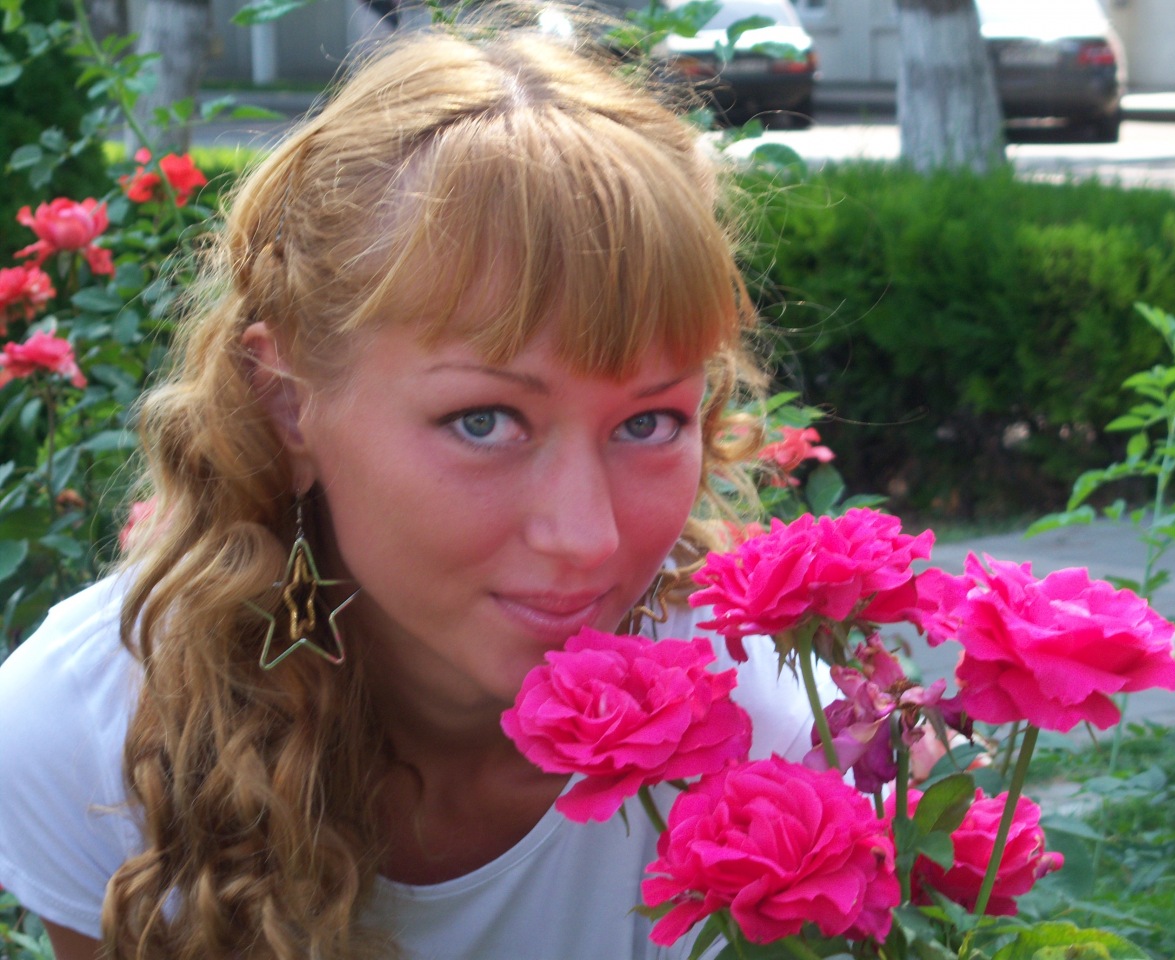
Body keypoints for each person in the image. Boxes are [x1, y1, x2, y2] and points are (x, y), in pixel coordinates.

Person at [0, 18, 821, 960]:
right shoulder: (92, 743)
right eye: (485, 421)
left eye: (649, 423)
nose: (586, 538)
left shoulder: (763, 728)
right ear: (287, 402)